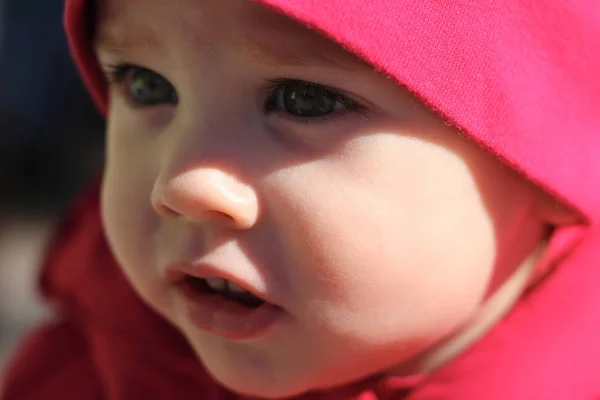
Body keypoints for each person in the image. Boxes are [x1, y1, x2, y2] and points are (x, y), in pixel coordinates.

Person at [2, 0, 600, 399]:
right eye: (147, 85)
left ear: (548, 174)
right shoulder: (87, 370)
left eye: (304, 100)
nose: (181, 184)